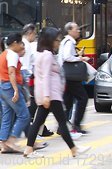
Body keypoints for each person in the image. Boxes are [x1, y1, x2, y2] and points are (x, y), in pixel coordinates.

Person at [23, 27, 91, 158]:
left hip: (47, 95)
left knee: (38, 122)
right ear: (50, 40)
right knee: (62, 123)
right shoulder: (47, 55)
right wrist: (47, 96)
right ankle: (73, 149)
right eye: (57, 40)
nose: (59, 42)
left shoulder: (42, 54)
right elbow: (46, 76)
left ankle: (29, 149)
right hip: (51, 95)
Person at [0, 32, 30, 154]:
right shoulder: (12, 54)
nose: (22, 46)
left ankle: (4, 143)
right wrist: (16, 89)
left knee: (7, 116)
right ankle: (12, 140)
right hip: (10, 87)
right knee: (24, 115)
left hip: (4, 87)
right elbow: (11, 72)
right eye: (21, 43)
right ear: (15, 43)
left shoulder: (4, 54)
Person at [59, 22, 90, 134]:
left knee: (67, 101)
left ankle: (62, 127)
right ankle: (76, 125)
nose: (79, 31)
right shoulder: (69, 42)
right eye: (76, 29)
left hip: (67, 76)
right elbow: (67, 57)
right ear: (69, 31)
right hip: (71, 77)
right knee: (83, 98)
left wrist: (78, 55)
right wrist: (80, 59)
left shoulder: (67, 42)